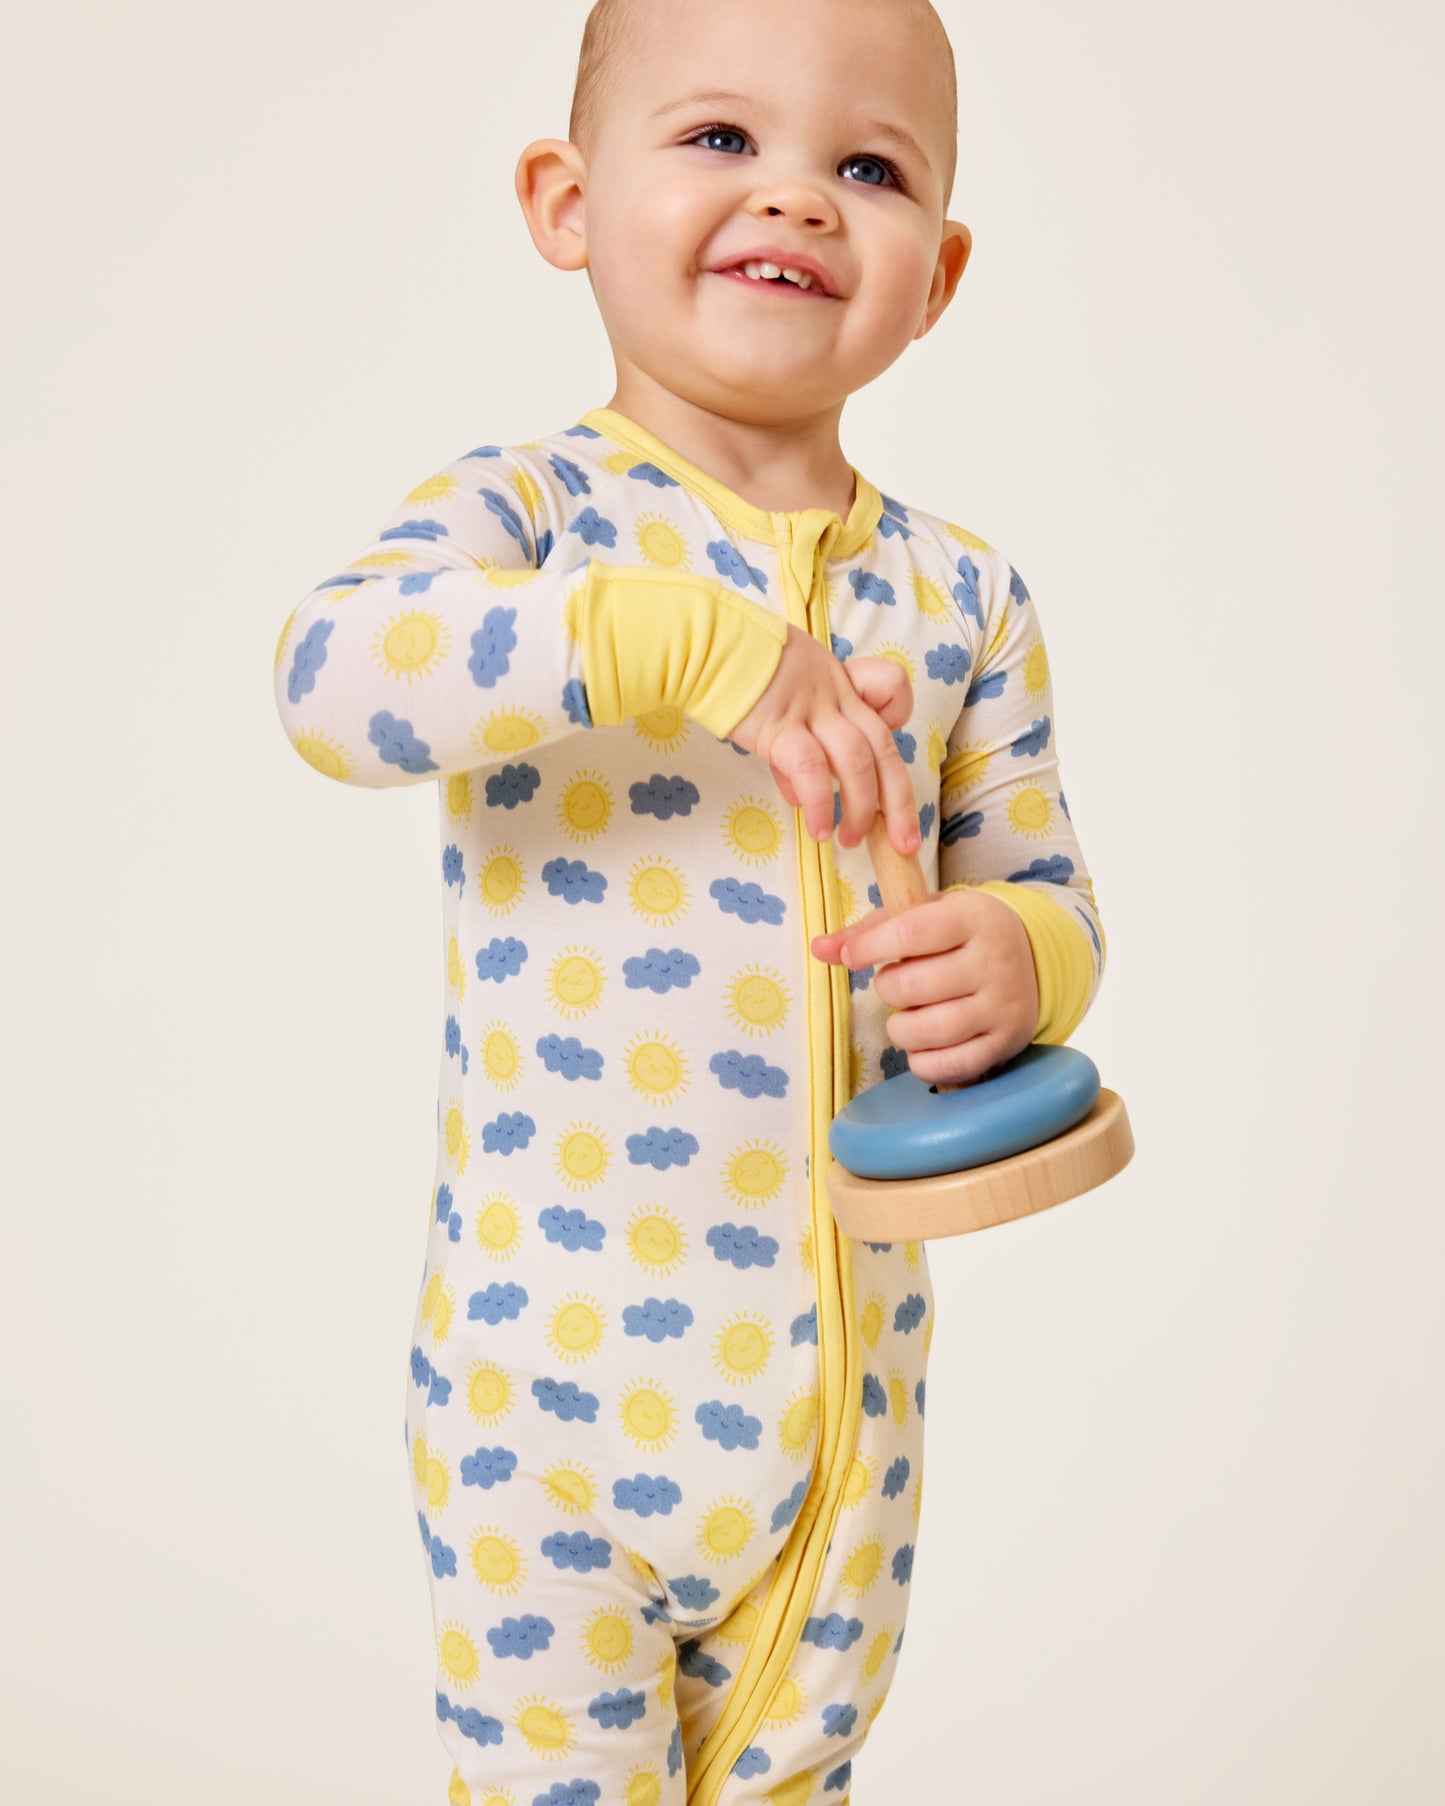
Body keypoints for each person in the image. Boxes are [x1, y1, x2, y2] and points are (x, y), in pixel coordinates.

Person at [272, 1, 1106, 1799]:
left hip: (842, 1417)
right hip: (543, 1394)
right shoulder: (537, 517)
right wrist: (660, 637)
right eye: (722, 140)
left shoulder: (962, 596)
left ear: (936, 271)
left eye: (864, 168)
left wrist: (1019, 960)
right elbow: (329, 678)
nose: (796, 200)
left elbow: (1042, 889)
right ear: (567, 202)